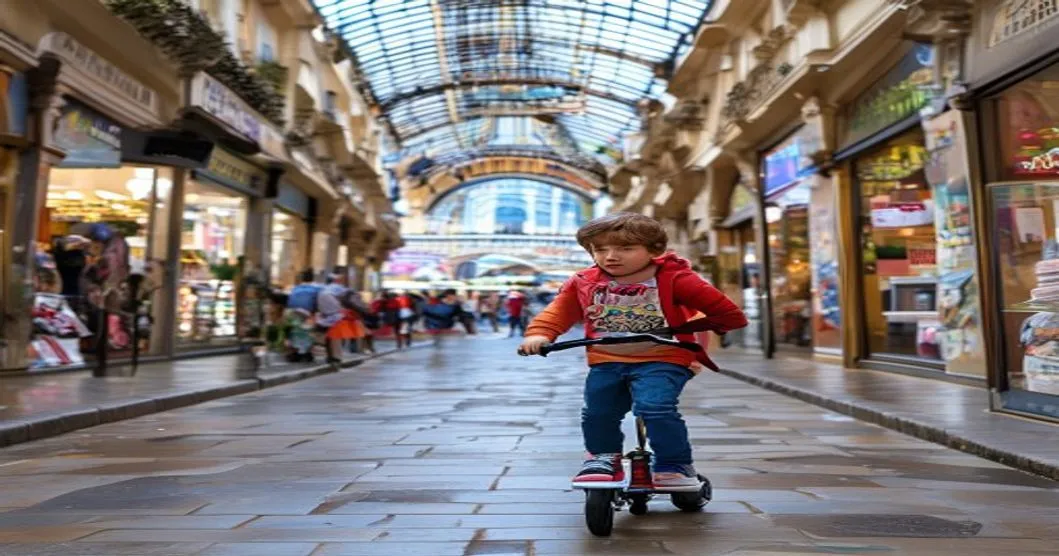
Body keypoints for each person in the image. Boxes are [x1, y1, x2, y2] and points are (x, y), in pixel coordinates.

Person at [518, 212, 747, 488]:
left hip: (665, 356)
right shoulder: (584, 281)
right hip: (607, 358)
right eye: (600, 249)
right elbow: (558, 313)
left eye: (626, 248)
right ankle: (602, 457)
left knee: (656, 406)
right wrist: (540, 334)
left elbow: (727, 313)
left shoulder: (677, 279)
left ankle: (675, 463)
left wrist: (697, 328)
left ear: (653, 250)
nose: (611, 256)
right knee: (597, 412)